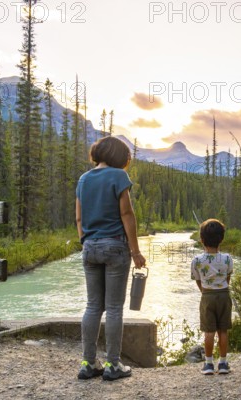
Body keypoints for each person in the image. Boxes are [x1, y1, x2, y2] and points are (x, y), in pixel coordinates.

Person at [75, 136, 147, 381]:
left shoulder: (83, 179)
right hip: (115, 246)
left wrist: (85, 241)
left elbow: (78, 219)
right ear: (118, 156)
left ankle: (87, 363)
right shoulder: (118, 177)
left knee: (93, 306)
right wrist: (135, 252)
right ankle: (113, 365)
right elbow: (127, 214)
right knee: (114, 308)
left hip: (90, 247)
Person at [190, 219, 233, 375]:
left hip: (207, 296)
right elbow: (228, 278)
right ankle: (223, 363)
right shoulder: (228, 259)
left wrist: (206, 291)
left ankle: (208, 364)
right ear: (221, 239)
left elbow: (197, 280)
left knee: (209, 331)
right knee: (223, 330)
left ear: (202, 239)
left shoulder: (197, 261)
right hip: (224, 295)